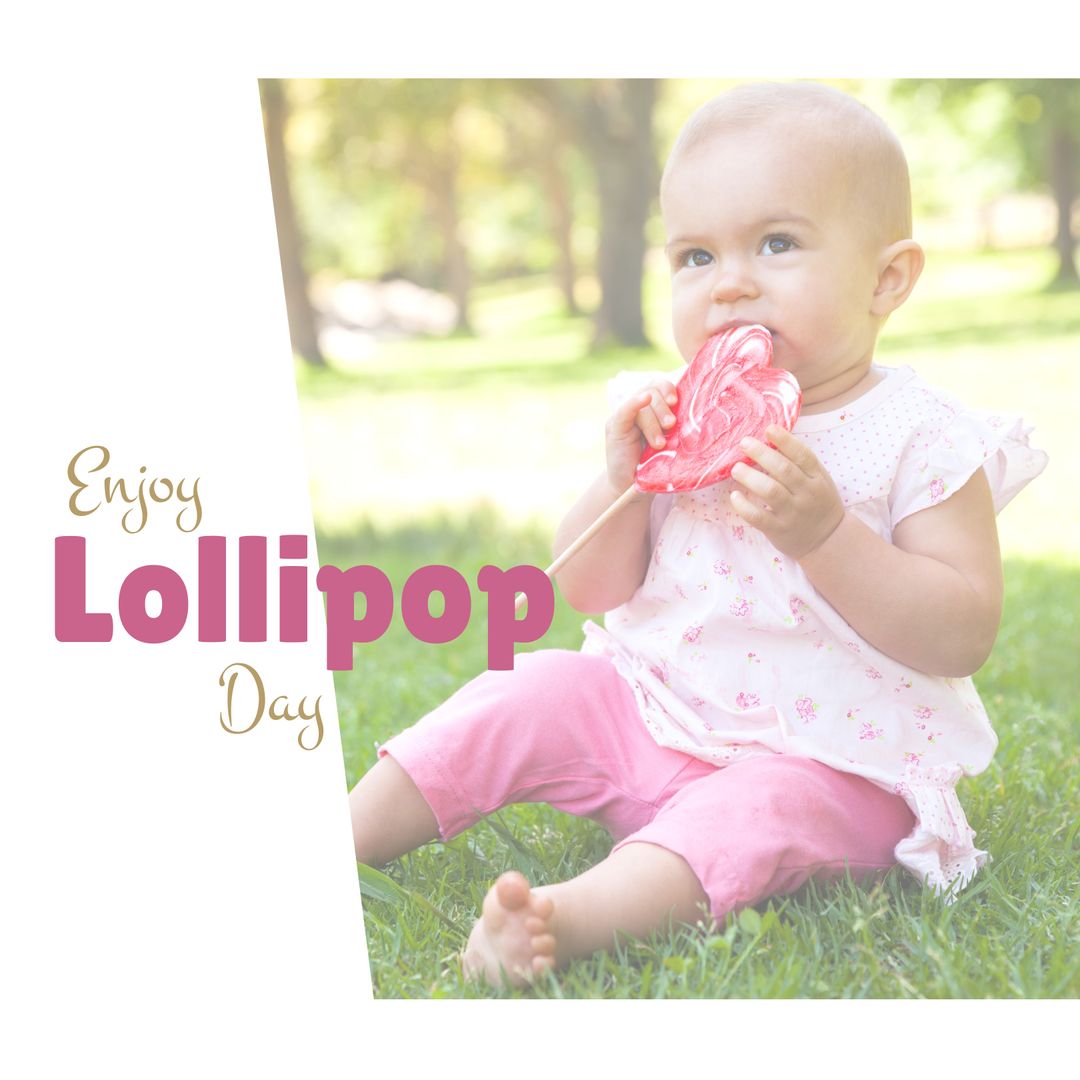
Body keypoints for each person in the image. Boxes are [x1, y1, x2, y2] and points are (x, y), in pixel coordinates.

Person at [348, 81, 1047, 988]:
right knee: (537, 684)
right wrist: (626, 480)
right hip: (655, 713)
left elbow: (961, 629)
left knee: (753, 809)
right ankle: (341, 835)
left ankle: (564, 919)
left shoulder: (919, 435)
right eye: (694, 255)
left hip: (832, 764)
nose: (731, 284)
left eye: (778, 243)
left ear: (888, 278)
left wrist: (825, 533)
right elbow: (588, 586)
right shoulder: (673, 415)